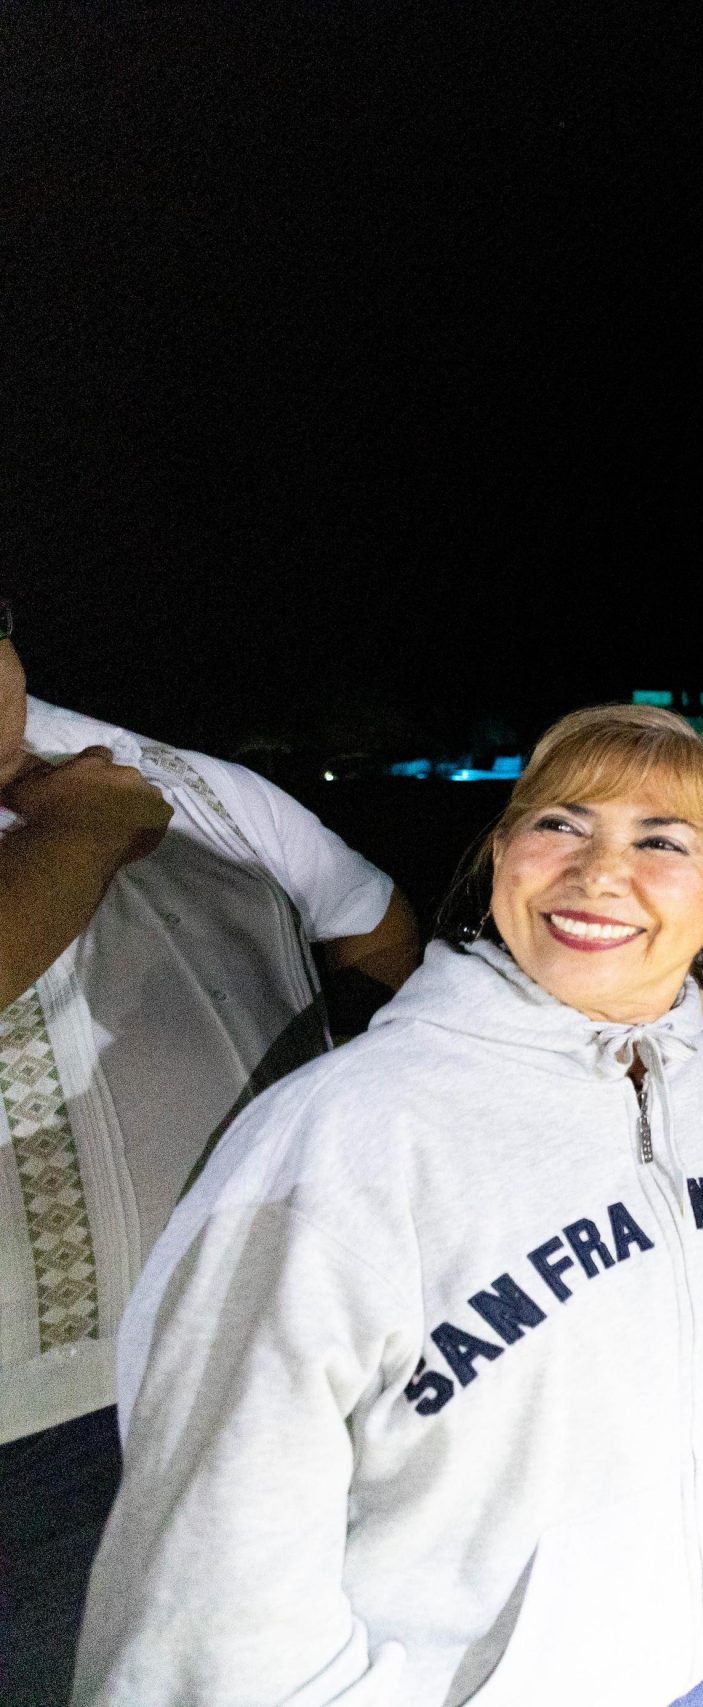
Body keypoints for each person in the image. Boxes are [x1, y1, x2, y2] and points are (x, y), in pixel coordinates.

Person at [74, 704, 703, 1707]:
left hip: (673, 1675)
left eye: (660, 841)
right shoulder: (341, 1133)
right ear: (500, 856)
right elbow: (212, 1579)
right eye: (560, 824)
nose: (596, 871)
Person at [0, 595, 422, 1707]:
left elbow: (388, 943)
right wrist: (82, 832)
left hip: (266, 1364)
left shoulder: (195, 790)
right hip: (33, 1433)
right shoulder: (109, 799)